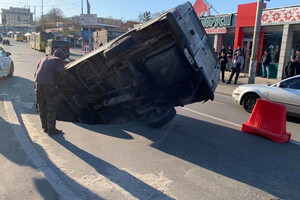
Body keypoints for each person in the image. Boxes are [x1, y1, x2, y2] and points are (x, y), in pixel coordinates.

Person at [34, 49, 67, 135]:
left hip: (38, 82)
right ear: (62, 57)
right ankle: (51, 129)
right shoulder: (59, 61)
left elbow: (37, 70)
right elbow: (58, 73)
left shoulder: (44, 58)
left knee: (41, 105)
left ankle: (45, 127)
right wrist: (56, 84)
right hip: (48, 84)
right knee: (50, 106)